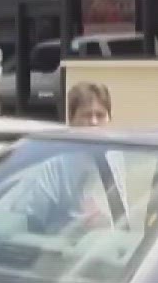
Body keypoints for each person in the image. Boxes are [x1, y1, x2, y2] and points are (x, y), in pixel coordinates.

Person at [13, 82, 120, 233]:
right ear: (72, 120)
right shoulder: (54, 163)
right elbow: (34, 221)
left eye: (100, 115)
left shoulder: (115, 157)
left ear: (109, 118)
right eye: (87, 115)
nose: (94, 122)